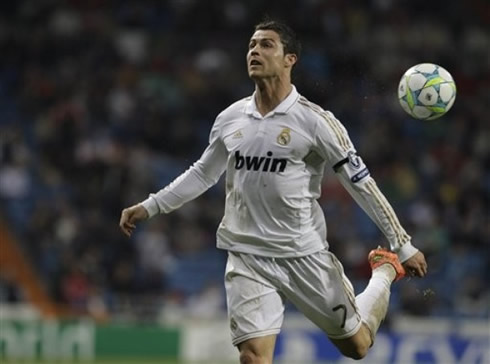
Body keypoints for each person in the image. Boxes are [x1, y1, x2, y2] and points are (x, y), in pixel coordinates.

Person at [119, 20, 428, 363]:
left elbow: (361, 183)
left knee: (357, 346)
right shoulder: (230, 118)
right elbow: (203, 173)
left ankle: (383, 271)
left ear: (289, 59)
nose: (255, 51)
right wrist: (151, 206)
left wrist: (401, 244)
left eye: (266, 45)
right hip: (246, 252)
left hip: (302, 253)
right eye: (252, 45)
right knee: (253, 357)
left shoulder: (316, 122)